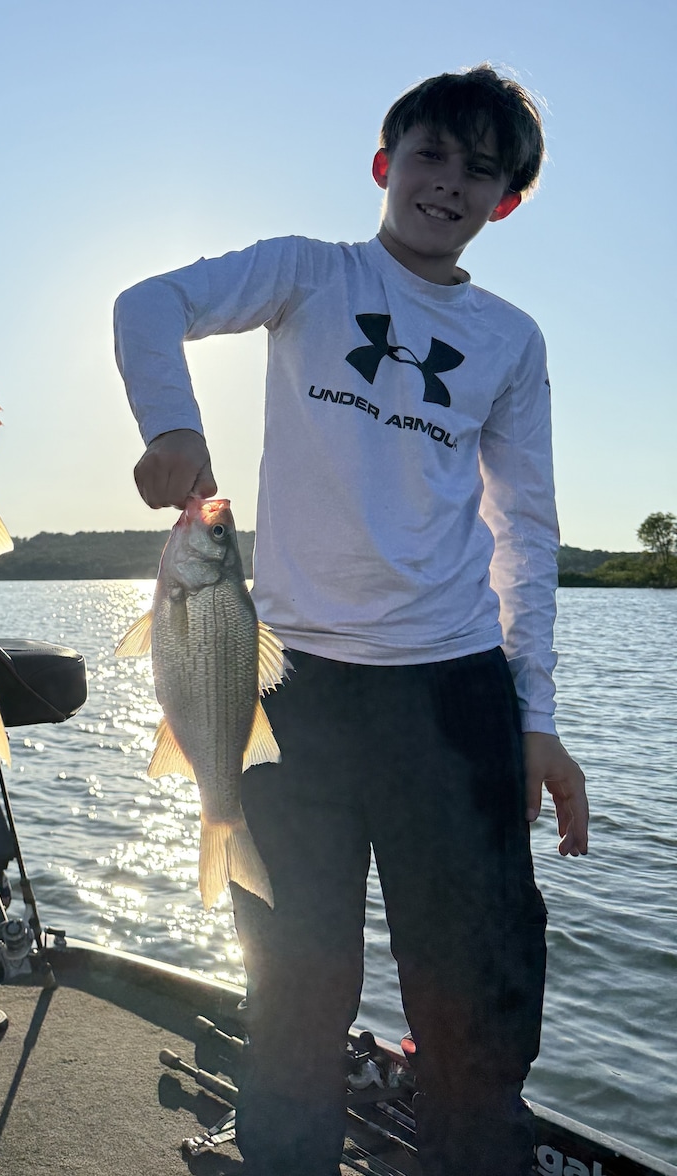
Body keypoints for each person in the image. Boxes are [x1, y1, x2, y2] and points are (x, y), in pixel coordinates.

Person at [112, 66, 590, 1176]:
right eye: (430, 155)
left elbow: (526, 530)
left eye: (481, 170)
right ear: (384, 163)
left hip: (456, 693)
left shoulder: (511, 339)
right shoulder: (308, 275)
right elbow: (148, 302)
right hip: (293, 689)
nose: (449, 183)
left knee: (477, 994)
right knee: (294, 980)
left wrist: (537, 717)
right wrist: (170, 424)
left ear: (507, 201)